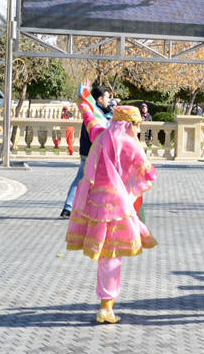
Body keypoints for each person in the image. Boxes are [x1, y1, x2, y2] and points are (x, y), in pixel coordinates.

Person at [65, 97, 156, 324]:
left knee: (105, 255)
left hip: (94, 205)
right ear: (129, 124)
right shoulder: (130, 144)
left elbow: (90, 120)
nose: (138, 129)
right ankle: (107, 305)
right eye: (136, 124)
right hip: (117, 208)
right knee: (112, 256)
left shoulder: (101, 136)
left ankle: (106, 303)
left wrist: (83, 101)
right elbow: (148, 174)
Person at [60, 85, 112, 218]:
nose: (109, 100)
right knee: (85, 179)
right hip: (91, 152)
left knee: (85, 179)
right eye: (107, 97)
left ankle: (75, 207)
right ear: (99, 99)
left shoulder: (94, 109)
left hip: (88, 151)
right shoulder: (95, 112)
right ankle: (70, 207)